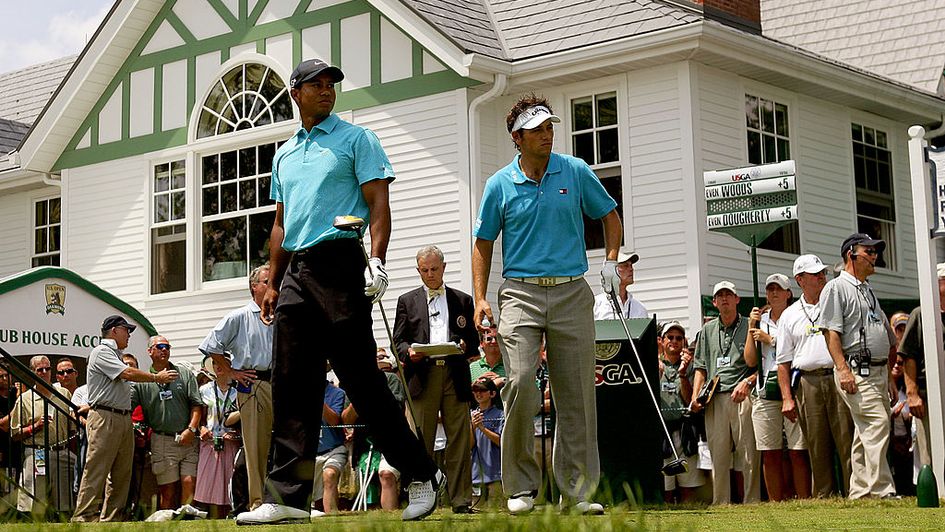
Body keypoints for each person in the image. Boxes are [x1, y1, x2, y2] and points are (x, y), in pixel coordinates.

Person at [236, 58, 440, 525]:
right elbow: (282, 224)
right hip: (296, 273)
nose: (327, 91)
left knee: (362, 382)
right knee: (291, 385)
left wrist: (379, 259)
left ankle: (422, 474)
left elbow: (378, 204)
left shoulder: (357, 139)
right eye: (316, 84)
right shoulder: (285, 155)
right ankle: (287, 497)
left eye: (331, 85)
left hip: (342, 261)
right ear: (296, 93)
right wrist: (272, 278)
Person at [472, 93, 622, 515]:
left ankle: (576, 493)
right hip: (520, 292)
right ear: (516, 137)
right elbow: (482, 243)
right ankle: (520, 488)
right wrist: (481, 296)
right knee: (518, 381)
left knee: (575, 393)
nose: (547, 134)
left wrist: (610, 262)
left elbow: (610, 217)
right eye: (537, 129)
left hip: (572, 291)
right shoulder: (499, 183)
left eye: (549, 126)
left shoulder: (574, 171)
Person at [393, 245, 479, 513]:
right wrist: (409, 353)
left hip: (454, 374)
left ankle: (461, 500)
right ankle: (422, 499)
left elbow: (473, 341)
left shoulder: (462, 299)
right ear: (418, 270)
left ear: (444, 267)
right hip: (422, 375)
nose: (430, 274)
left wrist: (465, 345)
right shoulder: (407, 301)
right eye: (424, 270)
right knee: (421, 441)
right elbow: (399, 341)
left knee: (459, 440)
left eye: (434, 269)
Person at [73, 316, 178, 522]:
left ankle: (111, 519)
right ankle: (83, 517)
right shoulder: (102, 351)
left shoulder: (115, 354)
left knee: (121, 474)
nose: (129, 334)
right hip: (106, 417)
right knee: (97, 470)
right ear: (113, 331)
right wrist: (157, 377)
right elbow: (127, 373)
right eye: (126, 330)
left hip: (120, 416)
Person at [818, 233, 898, 499]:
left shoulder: (867, 288)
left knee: (865, 430)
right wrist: (842, 369)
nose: (875, 256)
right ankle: (882, 489)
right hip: (854, 368)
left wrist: (888, 376)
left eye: (876, 252)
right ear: (851, 253)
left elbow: (884, 334)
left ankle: (861, 490)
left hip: (876, 370)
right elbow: (830, 332)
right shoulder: (836, 287)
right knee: (877, 422)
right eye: (869, 251)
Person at [776, 254, 854, 498]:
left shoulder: (835, 303)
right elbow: (782, 363)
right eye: (815, 274)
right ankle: (825, 497)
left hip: (836, 376)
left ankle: (855, 492)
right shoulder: (789, 315)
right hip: (807, 383)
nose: (822, 276)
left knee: (847, 440)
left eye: (822, 272)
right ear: (800, 279)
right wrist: (787, 398)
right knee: (817, 446)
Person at [198, 263, 274, 512]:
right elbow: (211, 345)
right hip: (254, 383)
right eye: (267, 280)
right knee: (255, 447)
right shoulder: (240, 316)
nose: (273, 284)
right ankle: (257, 503)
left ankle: (282, 501)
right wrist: (231, 372)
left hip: (280, 383)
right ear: (254, 287)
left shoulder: (280, 314)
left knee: (282, 444)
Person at [690, 281, 760, 505]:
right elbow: (700, 366)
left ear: (737, 299)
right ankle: (721, 503)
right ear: (714, 302)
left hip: (742, 394)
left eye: (729, 294)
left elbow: (762, 364)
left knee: (748, 453)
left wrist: (748, 382)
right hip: (714, 397)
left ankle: (752, 501)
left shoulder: (751, 324)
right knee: (718, 456)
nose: (724, 299)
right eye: (719, 296)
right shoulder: (706, 331)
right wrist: (695, 395)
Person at [744, 274, 810, 501]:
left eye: (778, 289)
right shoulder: (759, 320)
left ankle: (803, 499)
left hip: (791, 384)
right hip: (765, 387)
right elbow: (751, 360)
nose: (773, 293)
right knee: (769, 450)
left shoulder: (796, 317)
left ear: (788, 293)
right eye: (770, 289)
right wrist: (751, 327)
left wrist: (770, 339)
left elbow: (797, 349)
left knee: (797, 449)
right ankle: (775, 501)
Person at [132, 336, 203, 510]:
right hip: (162, 440)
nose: (165, 350)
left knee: (189, 484)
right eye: (160, 346)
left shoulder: (184, 373)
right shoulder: (142, 381)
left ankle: (188, 526)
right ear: (150, 351)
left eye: (168, 347)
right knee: (168, 493)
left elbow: (197, 405)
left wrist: (191, 429)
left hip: (188, 438)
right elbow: (124, 407)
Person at [10, 355, 76, 518]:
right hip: (37, 452)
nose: (45, 372)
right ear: (32, 372)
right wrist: (35, 426)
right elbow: (14, 434)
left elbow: (72, 428)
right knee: (36, 502)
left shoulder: (63, 394)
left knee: (64, 502)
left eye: (48, 369)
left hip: (61, 452)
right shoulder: (25, 399)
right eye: (40, 369)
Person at [895, 261, 943, 478]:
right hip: (928, 394)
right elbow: (908, 356)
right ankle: (934, 493)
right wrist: (912, 394)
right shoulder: (921, 313)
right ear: (938, 283)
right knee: (930, 450)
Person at [342, 348, 406, 511]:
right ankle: (373, 520)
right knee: (366, 477)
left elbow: (396, 409)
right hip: (365, 445)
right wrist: (359, 398)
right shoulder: (354, 384)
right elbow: (347, 419)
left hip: (391, 441)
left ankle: (391, 519)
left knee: (386, 474)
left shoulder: (391, 379)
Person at [658, 322, 705, 503]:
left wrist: (683, 374)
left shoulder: (691, 367)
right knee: (666, 487)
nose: (674, 341)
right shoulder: (655, 364)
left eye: (679, 338)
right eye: (670, 337)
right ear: (662, 341)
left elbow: (689, 400)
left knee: (688, 485)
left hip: (684, 429)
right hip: (663, 431)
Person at [194, 359, 240, 518]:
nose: (218, 366)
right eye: (215, 362)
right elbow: (197, 416)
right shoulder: (204, 390)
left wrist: (237, 435)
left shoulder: (239, 391)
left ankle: (229, 519)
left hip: (231, 444)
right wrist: (202, 428)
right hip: (210, 443)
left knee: (229, 487)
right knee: (207, 488)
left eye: (223, 362)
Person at [309, 379, 348, 517]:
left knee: (329, 475)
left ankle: (330, 517)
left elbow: (334, 421)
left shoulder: (337, 393)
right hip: (308, 452)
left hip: (333, 449)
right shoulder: (298, 392)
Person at [470, 377, 504, 510]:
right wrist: (473, 426)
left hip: (496, 475)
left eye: (482, 390)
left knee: (497, 515)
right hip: (476, 476)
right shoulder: (471, 415)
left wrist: (483, 428)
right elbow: (469, 445)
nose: (478, 394)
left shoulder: (500, 414)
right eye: (475, 390)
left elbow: (502, 442)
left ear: (492, 394)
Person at [592, 250, 648, 319]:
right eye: (625, 265)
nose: (631, 269)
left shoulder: (640, 308)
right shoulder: (595, 305)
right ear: (611, 271)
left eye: (631, 265)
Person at [888, 355, 914, 495]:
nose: (896, 366)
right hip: (890, 441)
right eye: (893, 363)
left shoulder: (907, 390)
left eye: (900, 363)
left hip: (907, 439)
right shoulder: (885, 391)